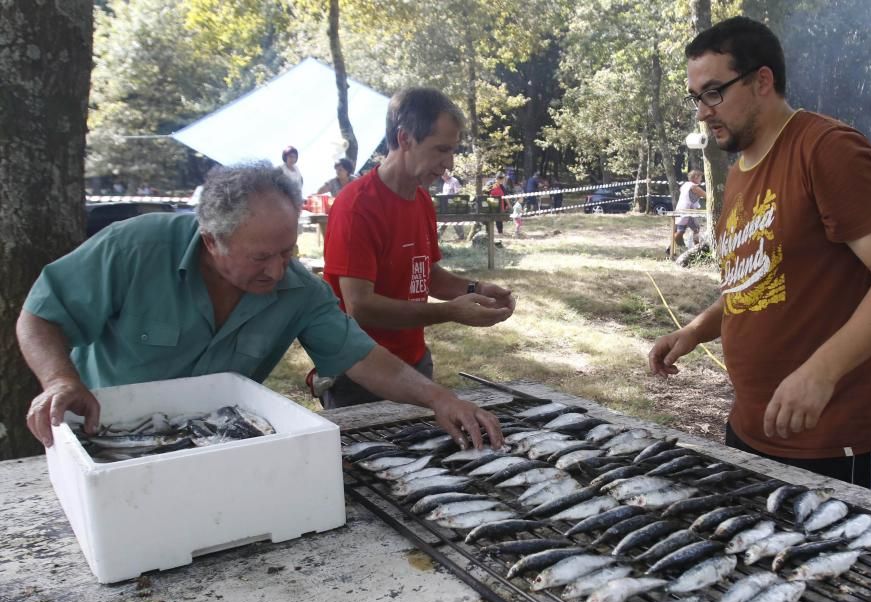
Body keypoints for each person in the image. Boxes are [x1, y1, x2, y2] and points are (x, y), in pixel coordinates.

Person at [17, 163, 502, 450]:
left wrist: (441, 398)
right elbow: (40, 315)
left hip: (215, 444)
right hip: (109, 437)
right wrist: (61, 381)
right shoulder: (134, 248)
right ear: (211, 240)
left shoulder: (297, 289)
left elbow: (364, 358)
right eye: (260, 257)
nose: (277, 270)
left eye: (288, 251)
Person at [647, 16, 871, 496]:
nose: (702, 112)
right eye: (696, 97)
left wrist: (821, 372)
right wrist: (696, 330)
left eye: (714, 92)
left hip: (836, 441)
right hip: (751, 429)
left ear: (762, 81)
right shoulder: (739, 170)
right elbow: (754, 285)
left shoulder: (827, 150)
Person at [323, 87, 516, 408]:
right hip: (358, 372)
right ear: (404, 139)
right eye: (441, 149)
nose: (449, 163)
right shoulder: (357, 206)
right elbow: (360, 307)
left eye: (453, 150)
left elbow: (426, 275)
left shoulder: (421, 198)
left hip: (414, 363)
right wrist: (449, 312)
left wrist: (477, 288)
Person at [673, 170, 706, 252]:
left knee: (681, 229)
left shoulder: (685, 185)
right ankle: (697, 248)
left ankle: (672, 247)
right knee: (695, 229)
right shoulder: (694, 187)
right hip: (688, 210)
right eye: (700, 178)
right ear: (695, 177)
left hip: (680, 208)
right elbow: (707, 196)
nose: (701, 180)